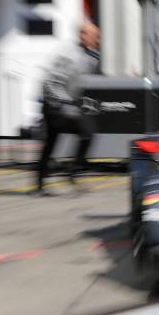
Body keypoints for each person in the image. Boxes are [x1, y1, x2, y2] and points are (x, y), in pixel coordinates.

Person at [34, 20, 100, 195]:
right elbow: (51, 82)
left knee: (53, 142)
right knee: (82, 133)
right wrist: (65, 104)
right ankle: (69, 174)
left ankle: (43, 183)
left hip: (66, 104)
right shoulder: (69, 55)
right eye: (94, 36)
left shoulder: (90, 57)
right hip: (54, 105)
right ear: (83, 35)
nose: (97, 40)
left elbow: (84, 83)